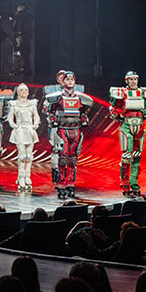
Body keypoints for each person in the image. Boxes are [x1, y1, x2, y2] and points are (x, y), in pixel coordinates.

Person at [45, 71, 92, 199]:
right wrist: (53, 120)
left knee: (73, 158)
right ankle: (61, 182)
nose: (70, 81)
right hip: (62, 129)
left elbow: (83, 112)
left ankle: (70, 182)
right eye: (67, 79)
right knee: (63, 157)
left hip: (76, 130)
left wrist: (84, 119)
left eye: (72, 79)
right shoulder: (57, 97)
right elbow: (51, 112)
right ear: (63, 81)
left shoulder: (80, 97)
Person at [109, 71, 146, 196]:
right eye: (131, 79)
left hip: (139, 125)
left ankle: (134, 182)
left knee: (137, 155)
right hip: (127, 125)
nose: (133, 82)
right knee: (127, 155)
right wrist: (118, 115)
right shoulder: (122, 93)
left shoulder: (143, 92)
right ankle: (125, 182)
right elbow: (113, 108)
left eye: (135, 79)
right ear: (127, 81)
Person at [7, 83, 40, 192]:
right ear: (18, 92)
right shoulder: (14, 104)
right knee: (22, 155)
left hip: (29, 130)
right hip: (20, 130)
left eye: (26, 90)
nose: (24, 92)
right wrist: (14, 126)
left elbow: (36, 116)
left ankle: (27, 176)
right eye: (21, 90)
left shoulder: (32, 104)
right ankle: (21, 177)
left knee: (29, 156)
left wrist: (35, 125)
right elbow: (10, 117)